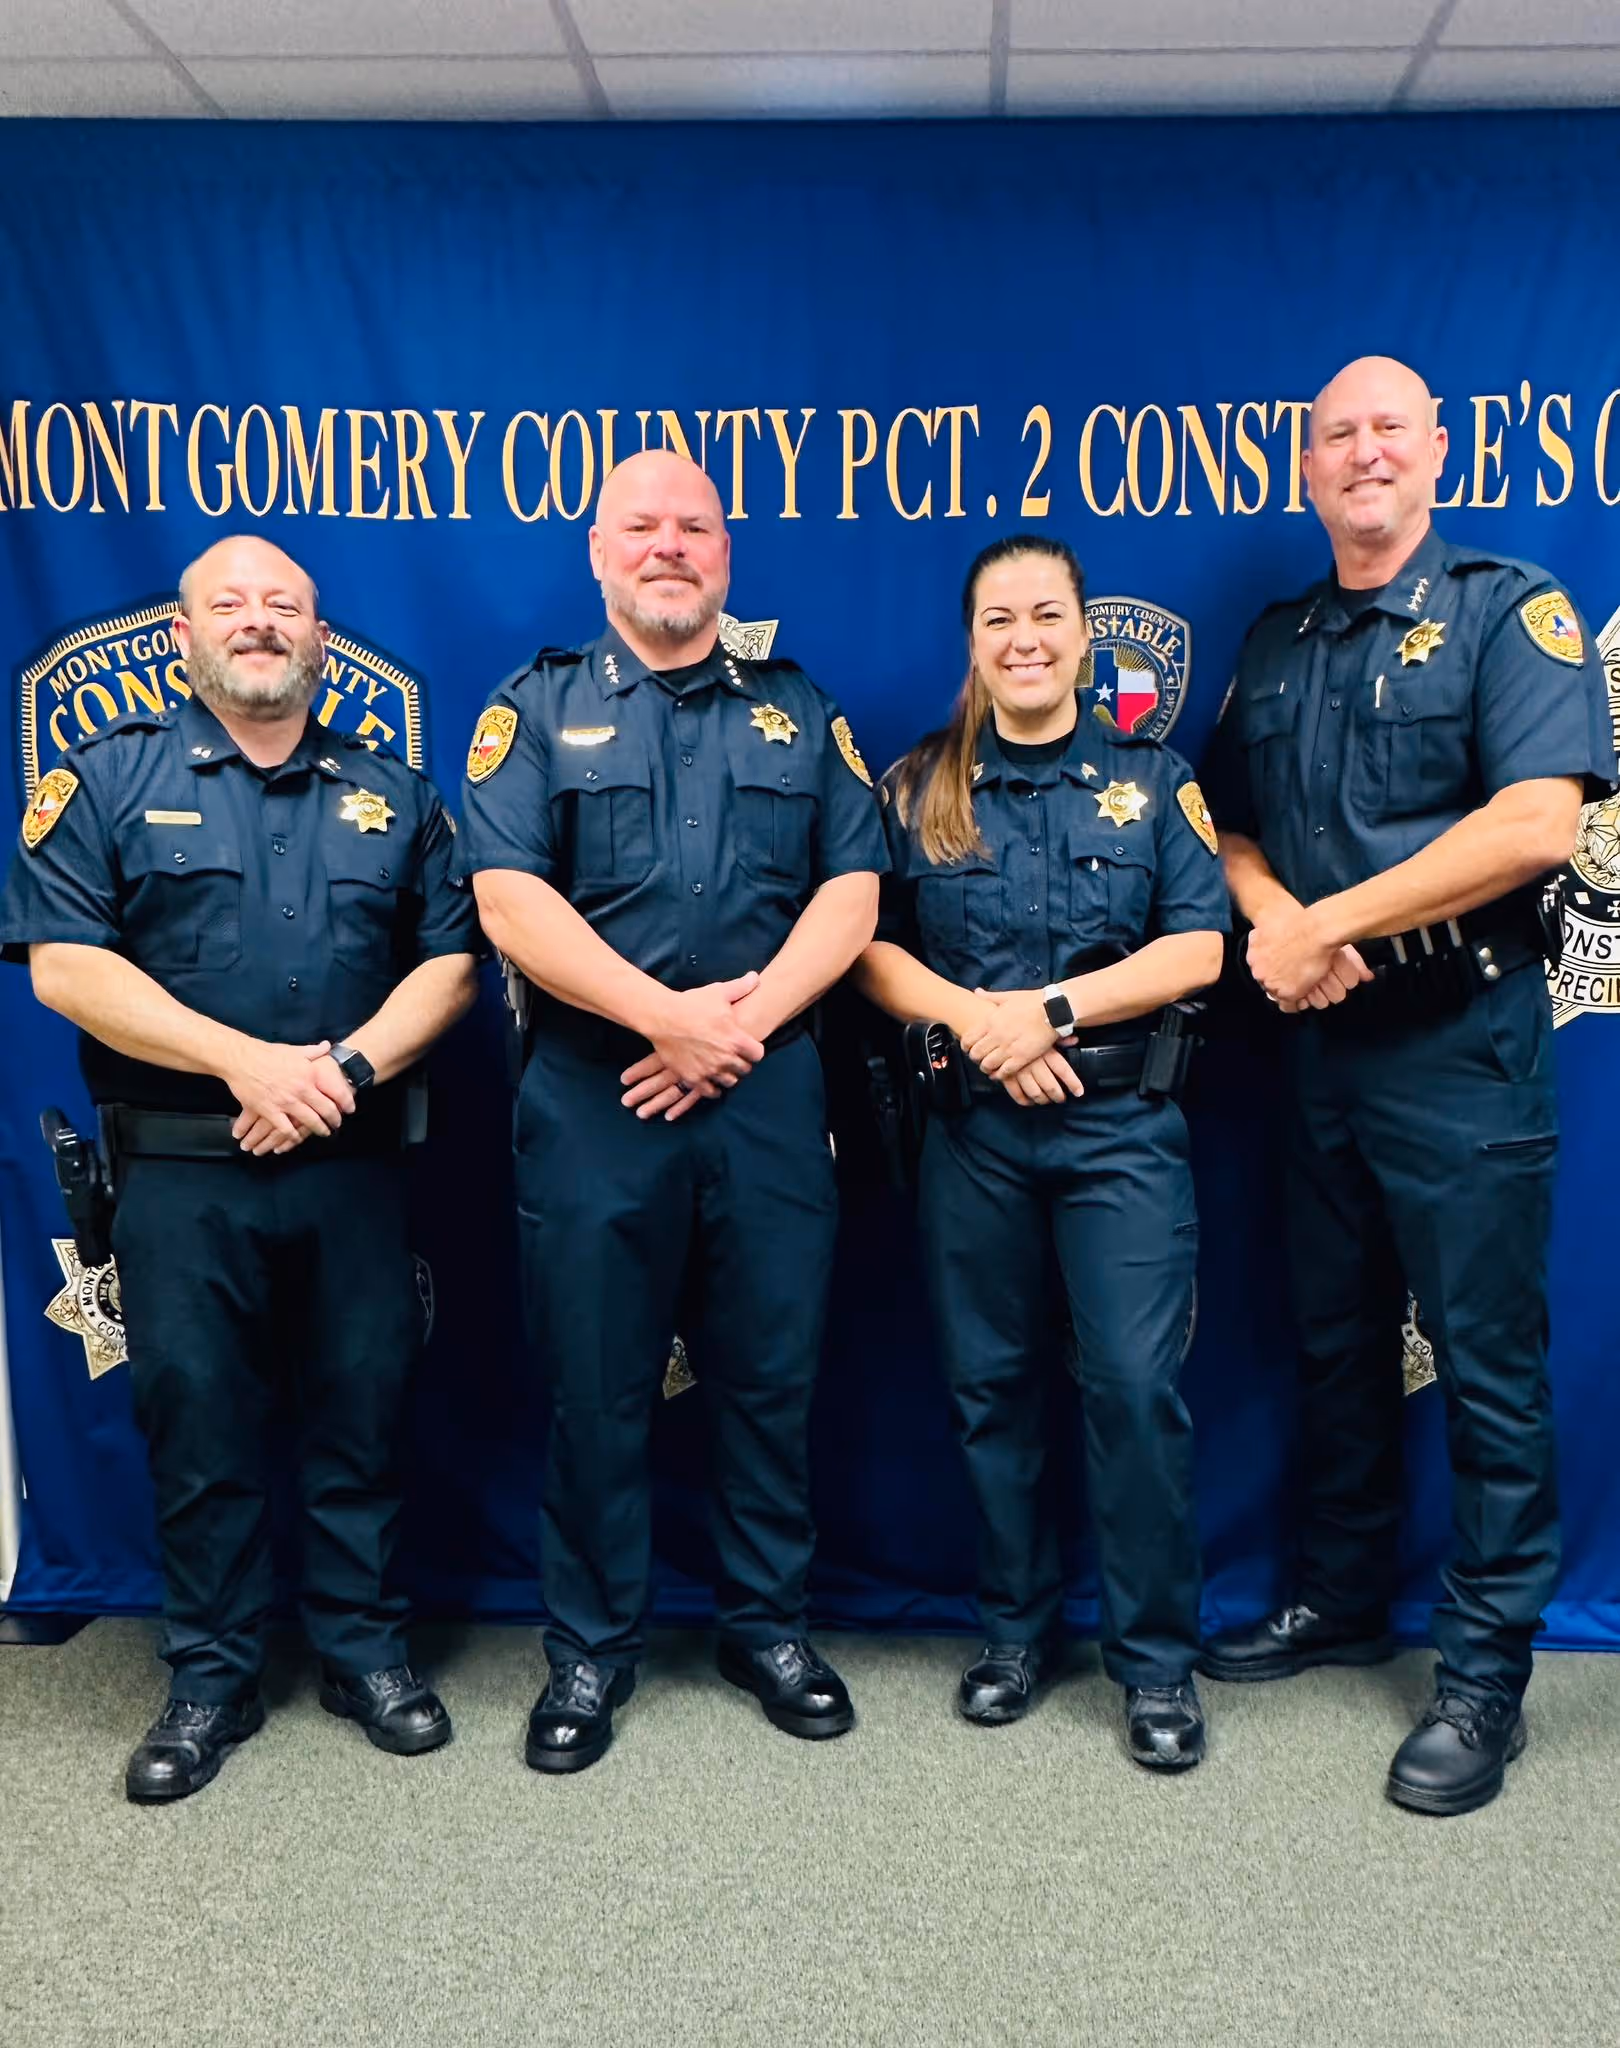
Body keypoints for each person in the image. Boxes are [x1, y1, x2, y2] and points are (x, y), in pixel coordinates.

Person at [1199, 355, 1617, 1816]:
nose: (1364, 452)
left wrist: (1330, 922)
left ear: (1438, 451)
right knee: (1335, 1341)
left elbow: (1537, 823)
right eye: (1338, 434)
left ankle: (1485, 1671)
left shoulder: (1510, 609)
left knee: (1487, 1366)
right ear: (1306, 466)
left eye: (1390, 428)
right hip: (1317, 1048)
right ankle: (1341, 1593)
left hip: (1460, 1042)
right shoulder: (1280, 639)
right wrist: (1276, 920)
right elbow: (1225, 825)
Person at [0, 536, 480, 1802]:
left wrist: (341, 1074)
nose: (259, 620)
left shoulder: (397, 792)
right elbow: (66, 967)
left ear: (320, 638)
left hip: (351, 1161)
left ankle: (364, 1650)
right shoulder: (102, 779)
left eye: (284, 605)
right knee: (197, 1421)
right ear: (184, 636)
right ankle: (210, 1675)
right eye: (231, 602)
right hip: (179, 1176)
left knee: (363, 1409)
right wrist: (248, 1067)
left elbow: (450, 965)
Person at [459, 448, 885, 1774]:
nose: (668, 546)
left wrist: (729, 1032)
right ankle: (589, 1650)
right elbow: (507, 899)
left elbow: (854, 892)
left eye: (693, 527)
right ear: (598, 553)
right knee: (595, 1388)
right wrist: (664, 1018)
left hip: (766, 1096)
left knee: (771, 1376)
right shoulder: (533, 709)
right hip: (597, 1099)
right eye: (640, 526)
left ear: (726, 554)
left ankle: (769, 1629)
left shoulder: (799, 709)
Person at [852, 533, 1226, 1770]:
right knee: (990, 1389)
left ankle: (1155, 1660)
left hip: (1121, 1131)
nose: (1025, 638)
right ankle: (1014, 1634)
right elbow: (871, 948)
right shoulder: (919, 787)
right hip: (973, 1132)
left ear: (1082, 632)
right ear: (973, 641)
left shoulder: (1152, 776)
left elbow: (1200, 947)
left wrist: (1051, 1012)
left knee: (1133, 1389)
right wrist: (983, 1024)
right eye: (1000, 619)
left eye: (1048, 614)